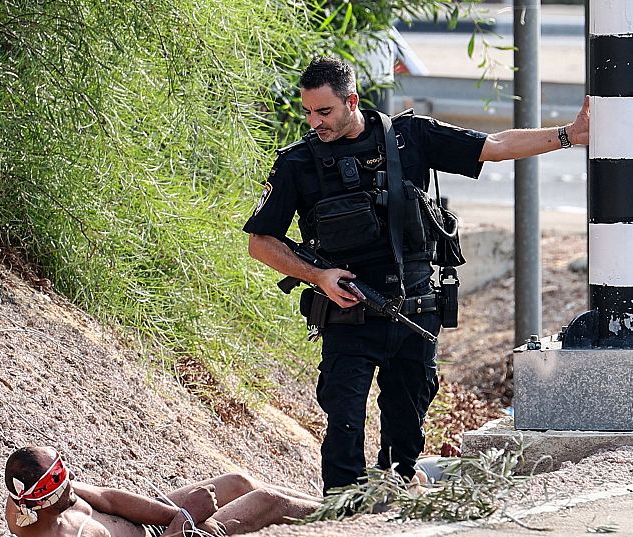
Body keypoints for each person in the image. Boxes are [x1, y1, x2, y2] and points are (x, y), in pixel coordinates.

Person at [244, 56, 589, 495]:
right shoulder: (298, 163)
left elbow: (496, 145)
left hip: (415, 314)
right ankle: (341, 514)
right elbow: (261, 242)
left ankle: (396, 503)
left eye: (324, 111)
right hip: (349, 316)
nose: (315, 122)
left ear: (351, 101)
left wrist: (568, 136)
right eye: (308, 112)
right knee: (344, 427)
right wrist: (319, 276)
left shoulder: (410, 137)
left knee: (404, 442)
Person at [0, 446, 321, 537]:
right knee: (267, 501)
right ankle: (354, 513)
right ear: (36, 505)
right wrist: (185, 522)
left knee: (237, 481)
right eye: (60, 492)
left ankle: (339, 504)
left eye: (68, 481)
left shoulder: (38, 494)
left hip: (162, 527)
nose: (72, 491)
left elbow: (109, 499)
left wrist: (178, 511)